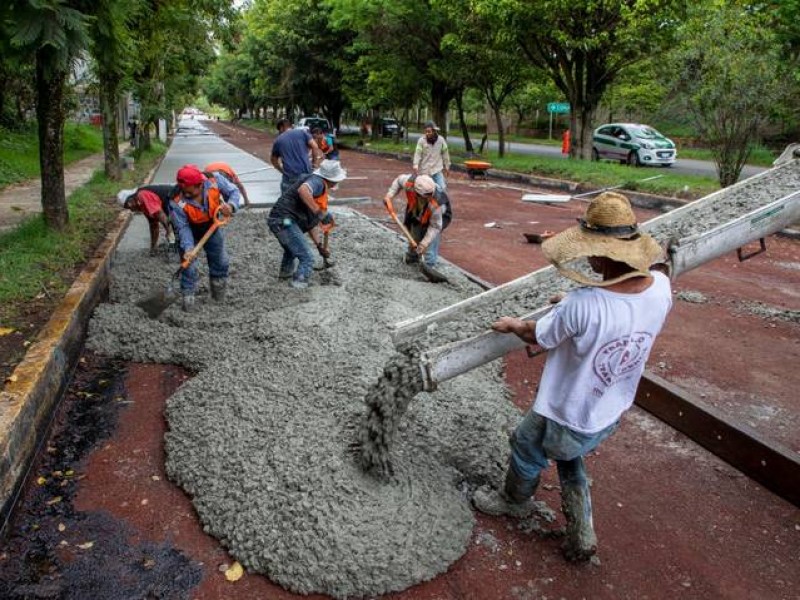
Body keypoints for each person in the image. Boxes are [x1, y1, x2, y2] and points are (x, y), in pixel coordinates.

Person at [473, 192, 672, 563]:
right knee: (569, 455)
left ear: (598, 254)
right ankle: (582, 532)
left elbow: (539, 334)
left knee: (526, 442)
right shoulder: (660, 287)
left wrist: (514, 324)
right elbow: (617, 307)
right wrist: (572, 302)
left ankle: (513, 501)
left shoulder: (583, 305)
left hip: (564, 408)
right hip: (608, 406)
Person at [170, 164, 241, 311]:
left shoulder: (215, 180)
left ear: (199, 185)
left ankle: (218, 296)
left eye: (189, 192)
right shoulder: (176, 200)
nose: (185, 194)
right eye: (183, 191)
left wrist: (231, 206)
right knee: (188, 265)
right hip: (189, 229)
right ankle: (188, 301)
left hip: (211, 226)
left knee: (220, 261)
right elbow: (183, 227)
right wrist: (189, 249)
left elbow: (234, 191)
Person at [267, 160, 347, 289]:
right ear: (331, 179)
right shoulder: (318, 182)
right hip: (284, 221)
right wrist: (320, 213)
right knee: (307, 257)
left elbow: (311, 224)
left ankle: (285, 276)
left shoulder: (315, 192)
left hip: (281, 220)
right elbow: (303, 190)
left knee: (291, 250)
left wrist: (319, 246)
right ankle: (299, 283)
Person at [383, 173, 452, 267]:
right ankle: (412, 258)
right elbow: (398, 181)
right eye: (425, 197)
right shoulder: (410, 182)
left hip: (438, 219)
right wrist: (389, 195)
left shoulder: (436, 204)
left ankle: (428, 265)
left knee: (429, 243)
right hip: (416, 210)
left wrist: (424, 244)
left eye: (429, 196)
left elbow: (435, 226)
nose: (427, 199)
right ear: (416, 192)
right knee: (414, 235)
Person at [117, 184, 177, 255]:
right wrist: (153, 248)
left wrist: (170, 233)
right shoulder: (141, 205)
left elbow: (160, 215)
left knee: (177, 227)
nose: (132, 210)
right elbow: (153, 225)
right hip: (169, 203)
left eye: (129, 206)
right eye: (128, 208)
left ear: (131, 199)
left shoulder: (142, 196)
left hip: (175, 197)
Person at [270, 118, 323, 194]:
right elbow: (315, 146)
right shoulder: (302, 133)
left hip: (289, 176)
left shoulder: (278, 140)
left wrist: (281, 171)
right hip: (305, 173)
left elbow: (273, 160)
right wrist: (314, 165)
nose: (279, 132)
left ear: (282, 127)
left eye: (279, 130)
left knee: (286, 201)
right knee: (305, 198)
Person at [413, 120, 451, 192]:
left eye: (429, 131)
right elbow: (417, 153)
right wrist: (415, 164)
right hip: (425, 171)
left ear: (434, 131)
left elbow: (445, 154)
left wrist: (447, 166)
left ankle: (440, 203)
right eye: (426, 131)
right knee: (425, 191)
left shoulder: (441, 140)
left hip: (437, 170)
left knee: (442, 189)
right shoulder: (421, 141)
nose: (427, 133)